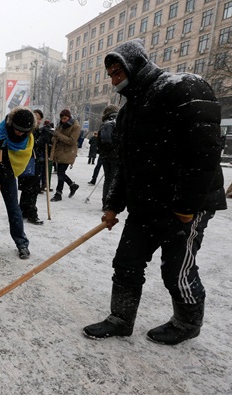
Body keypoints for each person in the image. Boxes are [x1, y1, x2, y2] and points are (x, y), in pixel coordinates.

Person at [83, 39, 227, 345]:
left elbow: (203, 152)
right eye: (110, 73)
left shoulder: (183, 88)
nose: (113, 79)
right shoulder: (128, 111)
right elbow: (126, 164)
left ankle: (187, 322)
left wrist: (187, 205)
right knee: (126, 262)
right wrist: (113, 205)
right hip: (145, 204)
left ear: (134, 65)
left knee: (176, 270)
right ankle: (120, 319)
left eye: (117, 70)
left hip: (183, 206)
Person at [0, 107, 35, 259]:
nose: (20, 133)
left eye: (24, 131)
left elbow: (22, 159)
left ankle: (22, 243)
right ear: (12, 124)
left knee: (14, 209)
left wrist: (6, 170)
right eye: (17, 129)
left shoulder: (27, 138)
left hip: (8, 174)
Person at [18, 109, 44, 225]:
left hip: (36, 164)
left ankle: (22, 211)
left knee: (31, 189)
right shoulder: (27, 131)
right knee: (29, 189)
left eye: (38, 118)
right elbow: (30, 145)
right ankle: (31, 213)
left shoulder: (40, 131)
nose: (37, 120)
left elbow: (43, 147)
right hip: (27, 163)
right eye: (35, 117)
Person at [50, 109, 80, 202]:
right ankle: (72, 185)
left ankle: (58, 194)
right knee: (61, 173)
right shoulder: (60, 125)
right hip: (59, 152)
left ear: (69, 117)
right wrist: (53, 137)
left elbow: (71, 141)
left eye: (65, 118)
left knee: (60, 173)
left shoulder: (75, 126)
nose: (63, 120)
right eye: (62, 118)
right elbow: (55, 137)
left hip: (68, 152)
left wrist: (58, 135)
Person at [92, 105, 119, 209]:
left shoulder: (107, 123)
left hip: (107, 155)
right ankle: (109, 204)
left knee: (108, 179)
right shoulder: (116, 122)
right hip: (114, 155)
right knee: (113, 179)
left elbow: (104, 140)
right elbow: (107, 140)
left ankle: (106, 203)